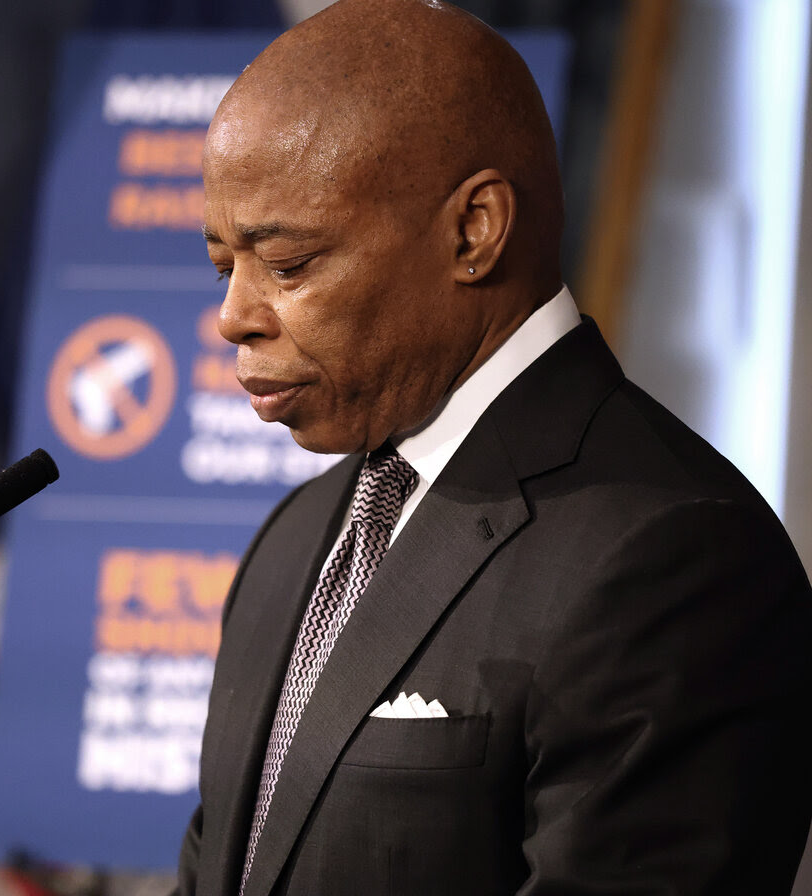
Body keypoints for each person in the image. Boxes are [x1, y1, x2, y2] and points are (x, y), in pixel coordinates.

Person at [175, 1, 812, 893]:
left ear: (474, 230)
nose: (234, 316)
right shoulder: (293, 541)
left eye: (287, 265)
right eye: (221, 267)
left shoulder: (677, 556)